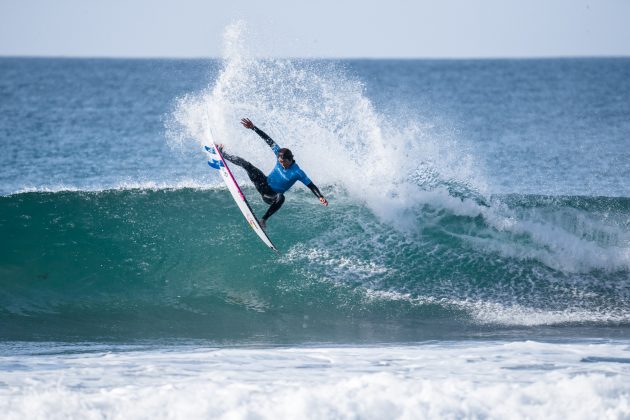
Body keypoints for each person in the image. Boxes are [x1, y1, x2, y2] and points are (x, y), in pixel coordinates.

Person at [219, 118, 328, 228]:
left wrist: (320, 196)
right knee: (247, 165)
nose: (282, 164)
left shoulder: (297, 172)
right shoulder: (279, 153)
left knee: (281, 197)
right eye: (280, 162)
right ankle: (223, 154)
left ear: (290, 160)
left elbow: (311, 185)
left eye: (284, 162)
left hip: (270, 195)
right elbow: (268, 140)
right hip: (263, 183)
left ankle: (263, 220)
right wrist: (253, 127)